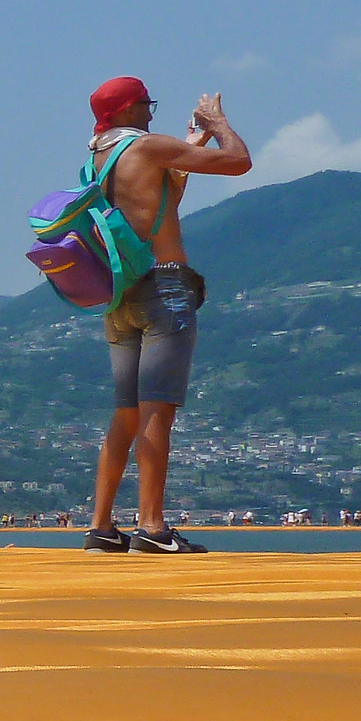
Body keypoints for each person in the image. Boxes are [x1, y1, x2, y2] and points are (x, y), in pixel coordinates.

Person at [80, 78, 254, 553]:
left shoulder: (99, 157)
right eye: (145, 104)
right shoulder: (150, 146)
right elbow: (239, 161)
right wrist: (217, 125)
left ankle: (101, 526)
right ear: (124, 109)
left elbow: (156, 205)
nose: (152, 113)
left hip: (120, 296)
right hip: (164, 288)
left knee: (125, 415)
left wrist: (188, 147)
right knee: (158, 411)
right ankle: (152, 527)